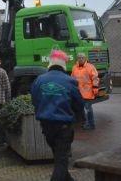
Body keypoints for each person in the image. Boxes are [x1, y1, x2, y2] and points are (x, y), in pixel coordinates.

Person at [31, 50, 84, 181]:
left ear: (50, 64)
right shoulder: (70, 81)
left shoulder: (39, 80)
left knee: (59, 158)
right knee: (61, 161)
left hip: (46, 126)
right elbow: (79, 104)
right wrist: (79, 118)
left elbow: (35, 100)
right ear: (64, 65)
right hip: (63, 127)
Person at [71, 53, 98, 130]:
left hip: (87, 92)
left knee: (88, 109)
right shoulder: (74, 68)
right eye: (79, 58)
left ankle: (91, 124)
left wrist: (95, 88)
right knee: (82, 110)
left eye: (82, 57)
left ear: (85, 58)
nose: (80, 59)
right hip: (79, 93)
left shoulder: (90, 67)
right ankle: (86, 123)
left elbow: (95, 78)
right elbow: (72, 79)